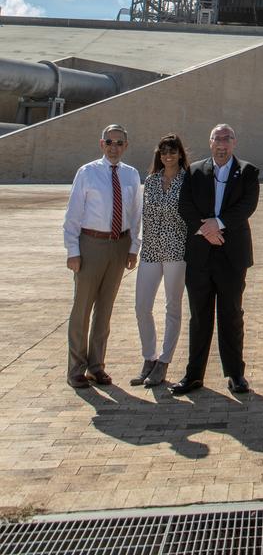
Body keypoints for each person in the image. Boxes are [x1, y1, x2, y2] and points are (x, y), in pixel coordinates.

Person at [171, 124, 260, 395]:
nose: (222, 144)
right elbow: (184, 205)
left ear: (234, 143)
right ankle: (194, 375)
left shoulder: (247, 172)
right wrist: (206, 231)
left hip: (232, 256)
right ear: (210, 143)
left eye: (227, 139)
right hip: (200, 254)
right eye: (217, 139)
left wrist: (218, 224)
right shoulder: (194, 171)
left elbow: (247, 206)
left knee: (231, 315)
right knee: (199, 316)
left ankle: (235, 374)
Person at [63, 125, 142, 388]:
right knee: (82, 309)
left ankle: (96, 366)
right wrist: (73, 251)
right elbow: (73, 215)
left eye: (119, 143)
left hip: (118, 246)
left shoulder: (131, 175)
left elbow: (134, 216)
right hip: (91, 244)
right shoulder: (87, 173)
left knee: (105, 310)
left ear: (126, 146)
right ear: (101, 144)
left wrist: (132, 248)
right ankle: (76, 368)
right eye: (109, 142)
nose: (114, 147)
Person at [132, 133, 189, 388]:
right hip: (151, 250)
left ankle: (164, 361)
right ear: (159, 154)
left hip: (176, 250)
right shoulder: (152, 180)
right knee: (142, 306)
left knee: (172, 307)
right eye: (164, 151)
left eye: (173, 151)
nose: (168, 156)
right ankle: (149, 357)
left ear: (180, 154)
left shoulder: (188, 180)